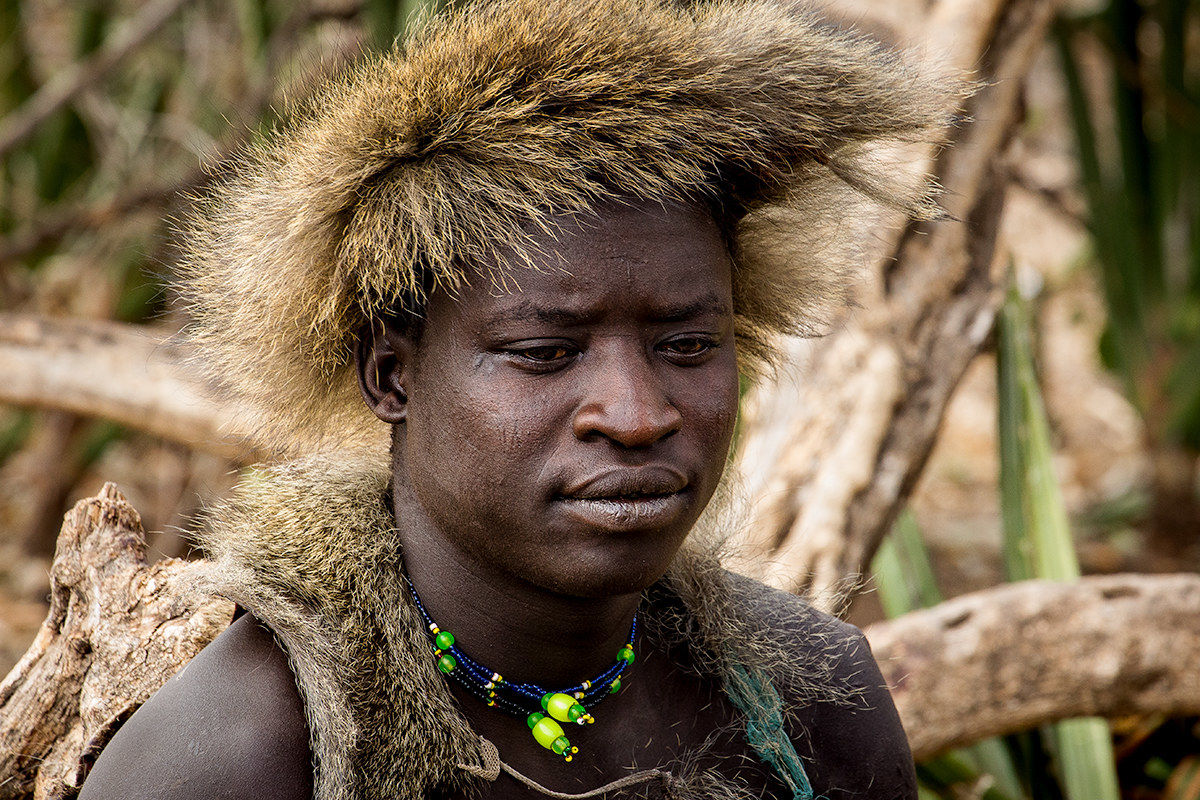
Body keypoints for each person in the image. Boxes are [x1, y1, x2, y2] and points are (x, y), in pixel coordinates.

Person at [78, 0, 955, 797]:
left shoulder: (810, 706)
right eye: (545, 353)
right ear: (392, 375)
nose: (638, 414)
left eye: (688, 345)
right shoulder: (241, 757)